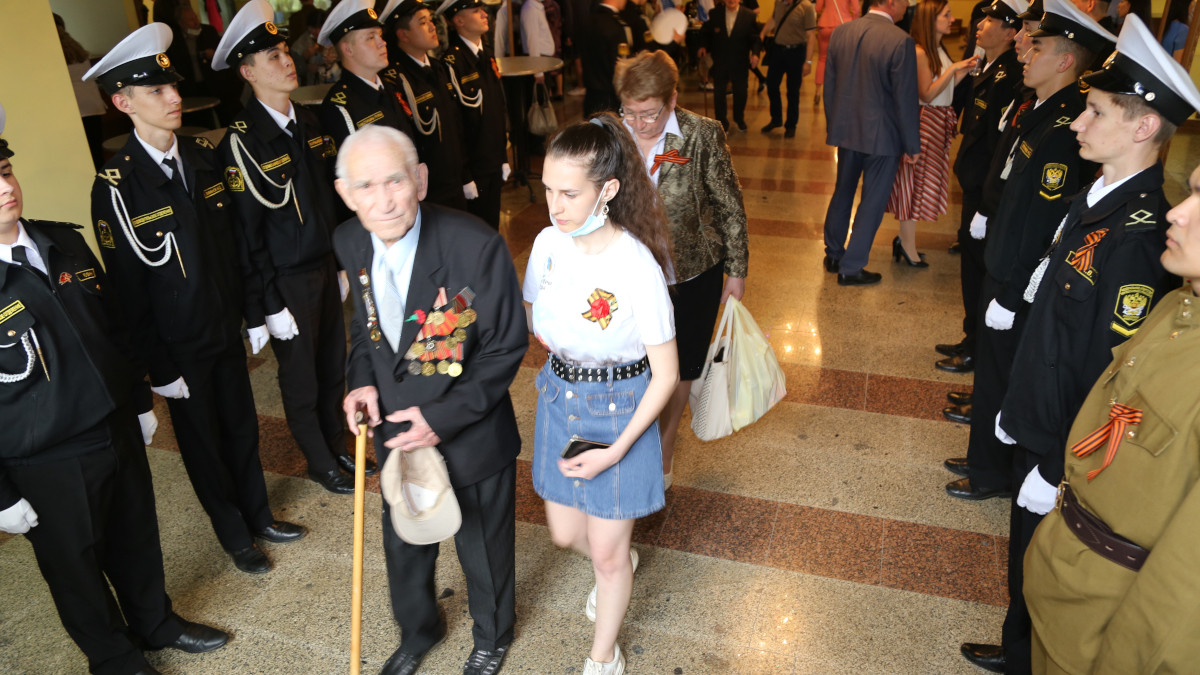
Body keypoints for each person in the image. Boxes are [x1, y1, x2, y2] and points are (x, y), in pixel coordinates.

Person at [960, 15, 1198, 674]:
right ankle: (1020, 647)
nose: (1079, 123)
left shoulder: (1139, 235)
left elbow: (1106, 373)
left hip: (1066, 442)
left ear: (1143, 128)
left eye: (1096, 113)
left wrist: (1056, 460)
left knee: (1045, 571)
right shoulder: (1099, 195)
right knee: (1028, 559)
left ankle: (1023, 655)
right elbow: (1054, 314)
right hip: (1040, 410)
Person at [0, 105, 229, 675]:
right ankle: (115, 659)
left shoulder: (63, 243)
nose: (5, 188)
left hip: (112, 424)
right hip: (45, 457)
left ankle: (156, 623)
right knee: (75, 568)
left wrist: (139, 401)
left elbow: (116, 332)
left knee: (136, 535)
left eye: (4, 172)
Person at [84, 23, 306, 576]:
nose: (174, 98)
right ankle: (234, 535)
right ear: (123, 103)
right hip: (178, 345)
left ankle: (259, 515)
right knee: (203, 444)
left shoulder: (202, 155)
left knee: (242, 428)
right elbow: (128, 290)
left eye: (173, 87)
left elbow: (236, 246)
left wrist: (252, 313)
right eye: (156, 91)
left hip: (221, 326)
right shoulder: (117, 186)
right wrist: (157, 368)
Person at [334, 125, 527, 675]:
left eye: (394, 181)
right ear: (345, 193)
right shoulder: (349, 241)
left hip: (469, 431)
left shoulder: (474, 246)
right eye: (365, 186)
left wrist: (440, 419)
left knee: (482, 548)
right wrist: (360, 381)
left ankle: (492, 634)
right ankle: (419, 629)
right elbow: (365, 329)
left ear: (419, 180)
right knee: (405, 545)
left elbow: (504, 347)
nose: (383, 200)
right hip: (396, 430)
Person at [523, 114, 678, 675]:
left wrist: (616, 451)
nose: (554, 206)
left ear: (607, 189)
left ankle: (602, 657)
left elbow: (666, 375)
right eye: (547, 190)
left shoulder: (635, 264)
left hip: (621, 407)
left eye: (569, 193)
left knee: (606, 557)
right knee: (566, 534)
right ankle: (619, 555)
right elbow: (533, 313)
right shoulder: (547, 244)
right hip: (561, 399)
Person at [945, 0, 1114, 502]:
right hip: (1002, 260)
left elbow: (1043, 225)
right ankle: (984, 458)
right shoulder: (1041, 110)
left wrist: (1013, 290)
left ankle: (991, 473)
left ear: (1065, 61)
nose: (1025, 51)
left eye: (1037, 46)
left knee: (1003, 376)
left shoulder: (1063, 129)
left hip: (1015, 273)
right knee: (994, 372)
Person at [214, 0, 368, 497]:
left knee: (331, 365)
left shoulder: (309, 120)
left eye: (285, 52)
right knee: (301, 378)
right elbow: (246, 235)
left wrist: (340, 263)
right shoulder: (241, 141)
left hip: (322, 265)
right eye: (273, 57)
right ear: (247, 72)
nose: (287, 62)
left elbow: (329, 200)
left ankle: (336, 443)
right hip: (284, 280)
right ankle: (320, 461)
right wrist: (265, 305)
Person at [613, 50, 748, 489]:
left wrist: (737, 270)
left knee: (683, 366)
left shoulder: (701, 134)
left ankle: (664, 451)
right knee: (635, 361)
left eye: (649, 113)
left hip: (692, 271)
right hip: (629, 272)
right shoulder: (614, 134)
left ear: (671, 99)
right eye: (630, 112)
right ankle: (629, 443)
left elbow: (729, 205)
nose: (639, 123)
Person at [935, 0, 1025, 411]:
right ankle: (970, 336)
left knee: (979, 269)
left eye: (991, 20)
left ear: (1009, 31)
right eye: (983, 17)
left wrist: (988, 203)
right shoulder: (986, 67)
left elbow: (997, 145)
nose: (981, 24)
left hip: (985, 191)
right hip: (973, 186)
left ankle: (976, 347)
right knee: (970, 268)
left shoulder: (1009, 75)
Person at [820, 0, 920, 286]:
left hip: (847, 130)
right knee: (872, 202)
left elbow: (830, 84)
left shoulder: (842, 32)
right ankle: (851, 268)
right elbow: (905, 98)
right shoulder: (900, 40)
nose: (906, 6)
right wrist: (912, 144)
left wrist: (834, 125)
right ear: (890, 2)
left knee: (843, 192)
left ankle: (834, 254)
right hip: (882, 136)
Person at [885, 0, 978, 267]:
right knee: (914, 184)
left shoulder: (937, 49)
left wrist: (962, 70)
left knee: (923, 182)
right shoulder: (920, 52)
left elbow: (944, 87)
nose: (951, 19)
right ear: (930, 19)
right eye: (946, 15)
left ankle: (905, 241)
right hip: (926, 121)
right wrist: (954, 68)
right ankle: (906, 244)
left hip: (938, 119)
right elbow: (927, 94)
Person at [380, 0, 473, 211]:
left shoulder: (437, 68)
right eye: (423, 22)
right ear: (403, 34)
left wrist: (465, 174)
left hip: (453, 182)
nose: (432, 27)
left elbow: (456, 126)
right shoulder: (394, 79)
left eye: (431, 20)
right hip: (428, 191)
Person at [440, 0, 512, 229]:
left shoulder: (486, 54)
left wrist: (502, 156)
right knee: (477, 228)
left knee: (492, 223)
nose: (484, 14)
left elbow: (496, 108)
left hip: (492, 159)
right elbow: (456, 126)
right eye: (475, 11)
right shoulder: (452, 63)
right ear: (459, 20)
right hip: (474, 164)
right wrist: (465, 175)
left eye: (482, 10)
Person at [316, 0, 416, 155]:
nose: (382, 43)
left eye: (380, 35)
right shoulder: (340, 107)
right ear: (348, 49)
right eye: (370, 37)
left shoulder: (391, 86)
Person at [697, 0, 763, 132]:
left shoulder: (749, 15)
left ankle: (739, 118)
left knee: (741, 93)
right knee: (719, 94)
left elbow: (755, 38)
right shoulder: (715, 14)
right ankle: (722, 122)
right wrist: (703, 46)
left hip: (740, 62)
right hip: (720, 61)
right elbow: (706, 32)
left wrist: (755, 54)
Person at [56, 14, 108, 171]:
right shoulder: (76, 48)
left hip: (76, 108)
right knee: (96, 148)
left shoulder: (54, 52)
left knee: (84, 152)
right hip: (93, 104)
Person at [759, 0, 817, 138]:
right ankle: (776, 119)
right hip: (778, 51)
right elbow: (774, 19)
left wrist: (808, 62)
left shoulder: (806, 7)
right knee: (772, 85)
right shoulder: (778, 2)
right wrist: (762, 33)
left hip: (796, 52)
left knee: (793, 91)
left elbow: (811, 35)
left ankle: (791, 125)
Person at [582, 0, 633, 116]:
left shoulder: (588, 21)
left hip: (590, 96)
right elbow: (620, 66)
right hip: (610, 98)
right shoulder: (615, 25)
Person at [813, 0, 858, 106]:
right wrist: (853, 22)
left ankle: (818, 91)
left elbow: (817, 8)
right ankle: (841, 91)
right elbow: (856, 10)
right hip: (844, 26)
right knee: (843, 60)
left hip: (825, 25)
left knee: (822, 59)